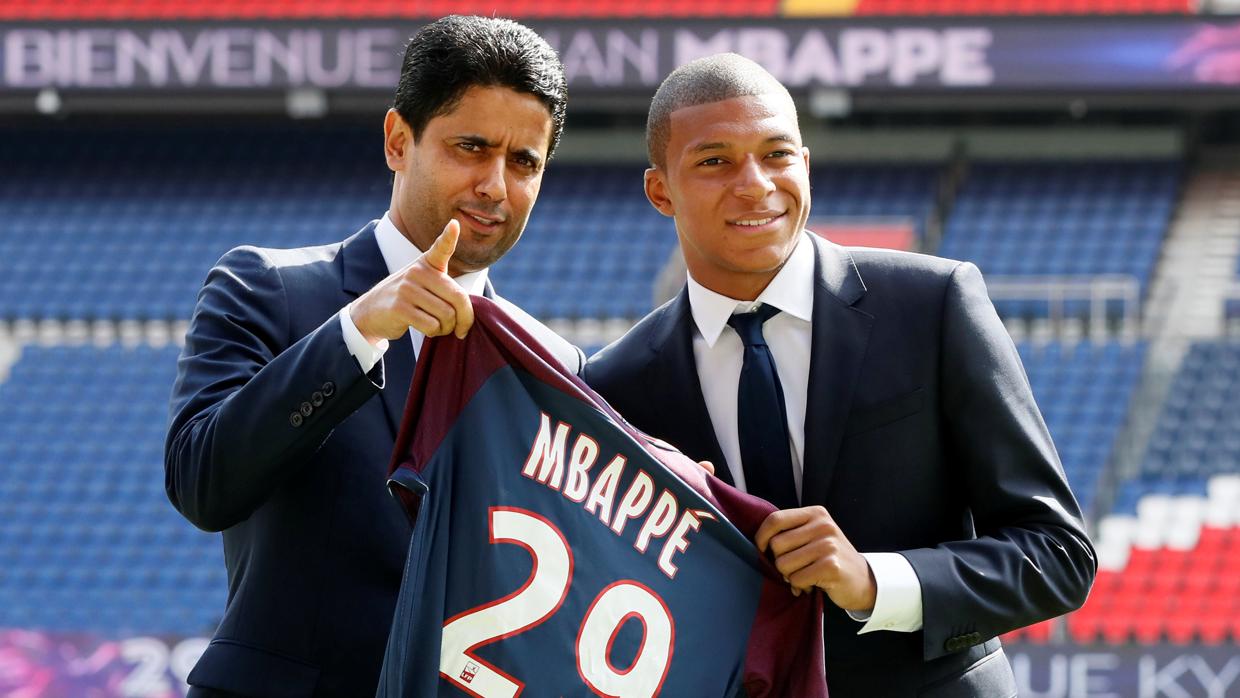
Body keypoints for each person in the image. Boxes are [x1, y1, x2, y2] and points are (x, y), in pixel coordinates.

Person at [583, 53, 1095, 697]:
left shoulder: (932, 304)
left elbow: (1058, 555)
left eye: (776, 155)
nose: (755, 185)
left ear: (805, 164)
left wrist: (875, 581)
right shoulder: (616, 386)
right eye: (714, 161)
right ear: (660, 191)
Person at [164, 16, 582, 697]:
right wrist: (355, 333)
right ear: (397, 140)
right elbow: (201, 482)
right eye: (471, 148)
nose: (495, 185)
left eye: (523, 162)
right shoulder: (266, 288)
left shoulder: (557, 367)